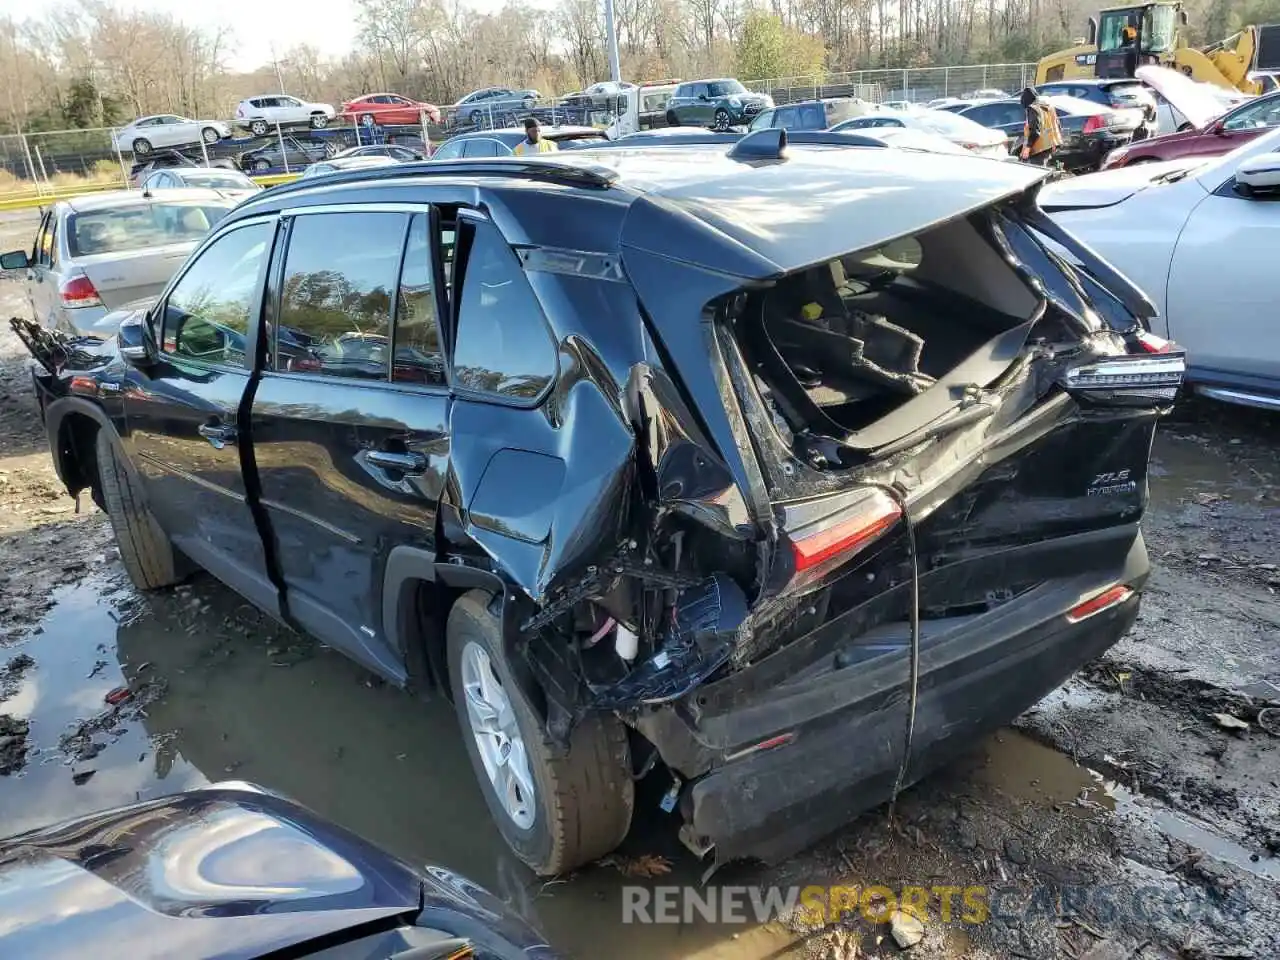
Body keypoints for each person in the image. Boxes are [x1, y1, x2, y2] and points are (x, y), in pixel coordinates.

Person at [1018, 86, 1064, 167]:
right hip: (1050, 144)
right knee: (1044, 168)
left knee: (1037, 171)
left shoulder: (1033, 109)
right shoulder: (1048, 107)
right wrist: (1054, 143)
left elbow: (1035, 131)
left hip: (1040, 146)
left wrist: (1028, 148)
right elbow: (1057, 124)